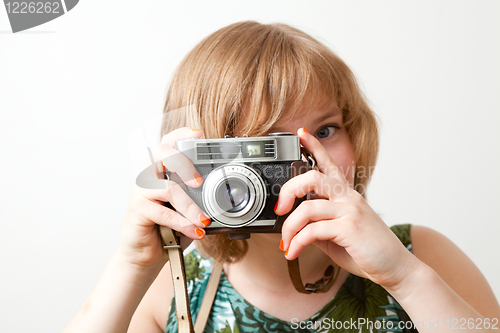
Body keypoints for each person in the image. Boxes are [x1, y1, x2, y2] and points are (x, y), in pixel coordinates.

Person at [63, 21, 500, 333]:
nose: (304, 163)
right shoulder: (173, 288)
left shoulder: (421, 256)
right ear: (202, 163)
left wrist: (404, 278)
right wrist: (131, 266)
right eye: (267, 146)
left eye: (325, 131)